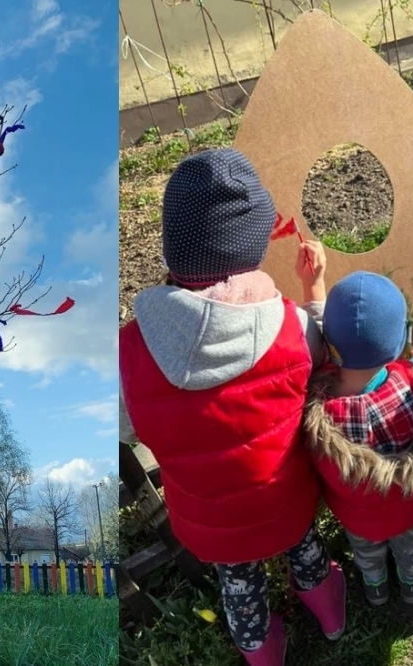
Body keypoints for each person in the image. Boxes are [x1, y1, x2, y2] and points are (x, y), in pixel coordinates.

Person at [118, 148, 345, 666]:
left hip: (209, 522)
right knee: (307, 552)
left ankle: (264, 653)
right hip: (285, 498)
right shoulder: (291, 325)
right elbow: (323, 358)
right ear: (251, 247)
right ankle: (330, 614)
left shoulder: (130, 352)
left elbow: (127, 426)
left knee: (239, 586)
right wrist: (313, 290)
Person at [296, 248, 413, 606]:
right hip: (410, 508)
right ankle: (412, 585)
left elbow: (322, 347)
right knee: (412, 546)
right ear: (398, 343)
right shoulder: (412, 385)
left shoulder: (319, 409)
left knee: (366, 551)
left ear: (328, 346)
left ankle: (376, 587)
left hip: (359, 519)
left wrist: (313, 285)